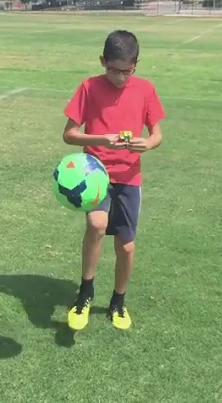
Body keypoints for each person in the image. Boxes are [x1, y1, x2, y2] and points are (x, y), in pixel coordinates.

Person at [61, 29, 166, 331]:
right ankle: (85, 293)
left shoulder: (145, 90)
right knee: (96, 224)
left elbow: (157, 134)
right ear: (102, 61)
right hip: (95, 172)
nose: (119, 77)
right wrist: (102, 141)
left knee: (127, 246)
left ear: (136, 64)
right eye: (113, 70)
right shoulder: (89, 87)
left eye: (126, 71)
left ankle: (118, 301)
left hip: (129, 176)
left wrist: (148, 143)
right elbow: (69, 135)